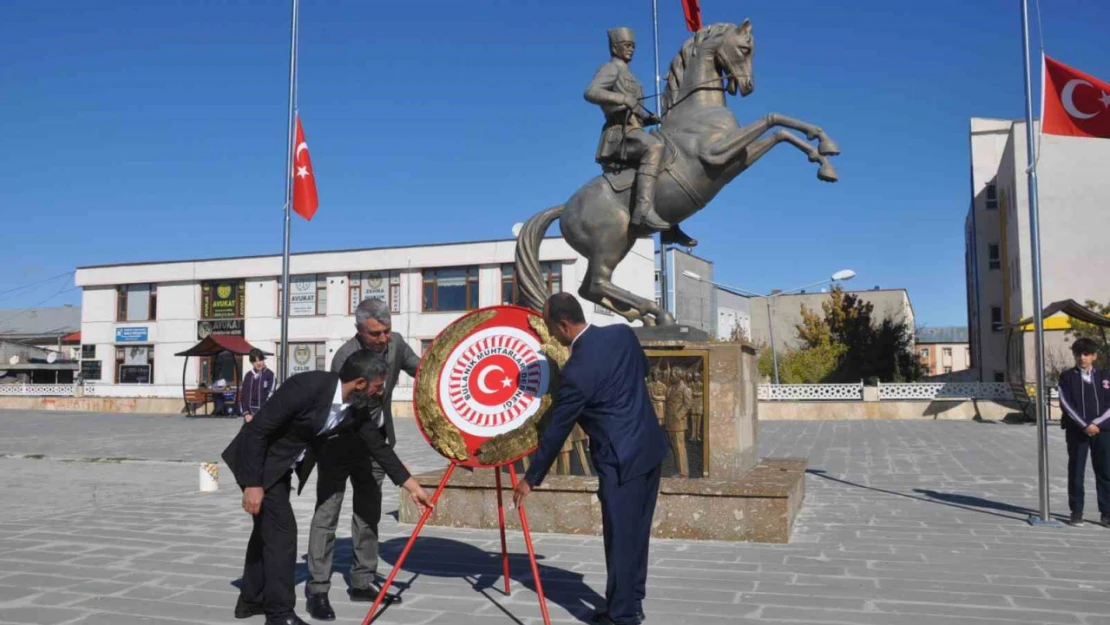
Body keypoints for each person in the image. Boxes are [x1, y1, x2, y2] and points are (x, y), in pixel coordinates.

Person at [221, 350, 432, 625]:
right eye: (378, 387)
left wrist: (411, 484)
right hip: (255, 462)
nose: (380, 394)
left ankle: (250, 600)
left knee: (266, 533)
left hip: (279, 466)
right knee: (282, 534)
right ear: (359, 383)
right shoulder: (306, 386)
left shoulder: (355, 408)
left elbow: (377, 445)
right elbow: (258, 430)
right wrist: (253, 484)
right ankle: (279, 614)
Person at [513, 293, 668, 625]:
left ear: (564, 325)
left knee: (620, 539)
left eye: (552, 328)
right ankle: (631, 602)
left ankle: (623, 616)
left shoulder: (577, 372)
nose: (552, 336)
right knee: (637, 534)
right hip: (650, 449)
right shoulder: (622, 334)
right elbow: (642, 369)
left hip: (620, 461)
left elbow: (557, 430)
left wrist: (531, 477)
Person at [304, 297, 420, 620]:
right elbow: (351, 416)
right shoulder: (345, 358)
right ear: (359, 330)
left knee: (368, 513)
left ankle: (362, 580)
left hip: (375, 443)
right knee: (326, 516)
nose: (384, 339)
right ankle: (317, 589)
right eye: (375, 334)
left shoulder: (395, 345)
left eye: (387, 331)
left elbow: (421, 369)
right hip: (340, 444)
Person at [585, 26, 696, 248]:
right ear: (615, 48)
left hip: (635, 131)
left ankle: (670, 227)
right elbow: (591, 92)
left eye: (633, 47)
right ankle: (643, 211)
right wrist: (622, 98)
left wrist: (648, 118)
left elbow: (634, 111)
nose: (631, 50)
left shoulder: (630, 75)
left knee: (670, 152)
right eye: (627, 46)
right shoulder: (610, 69)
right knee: (655, 147)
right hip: (619, 135)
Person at [1057, 337, 1110, 527]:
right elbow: (1065, 403)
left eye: (1086, 354)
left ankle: (1107, 513)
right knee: (1076, 471)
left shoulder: (1105, 377)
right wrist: (1084, 425)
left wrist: (1096, 423)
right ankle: (1076, 511)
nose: (1082, 358)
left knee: (1104, 471)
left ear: (1094, 356)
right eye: (1078, 354)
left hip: (1102, 431)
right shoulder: (1067, 377)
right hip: (1077, 431)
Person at [240, 348, 275, 424]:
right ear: (252, 362)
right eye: (255, 361)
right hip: (249, 415)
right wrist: (246, 414)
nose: (258, 363)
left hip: (264, 414)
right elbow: (243, 395)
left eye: (260, 360)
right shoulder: (248, 375)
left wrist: (259, 414)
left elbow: (271, 395)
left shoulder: (270, 375)